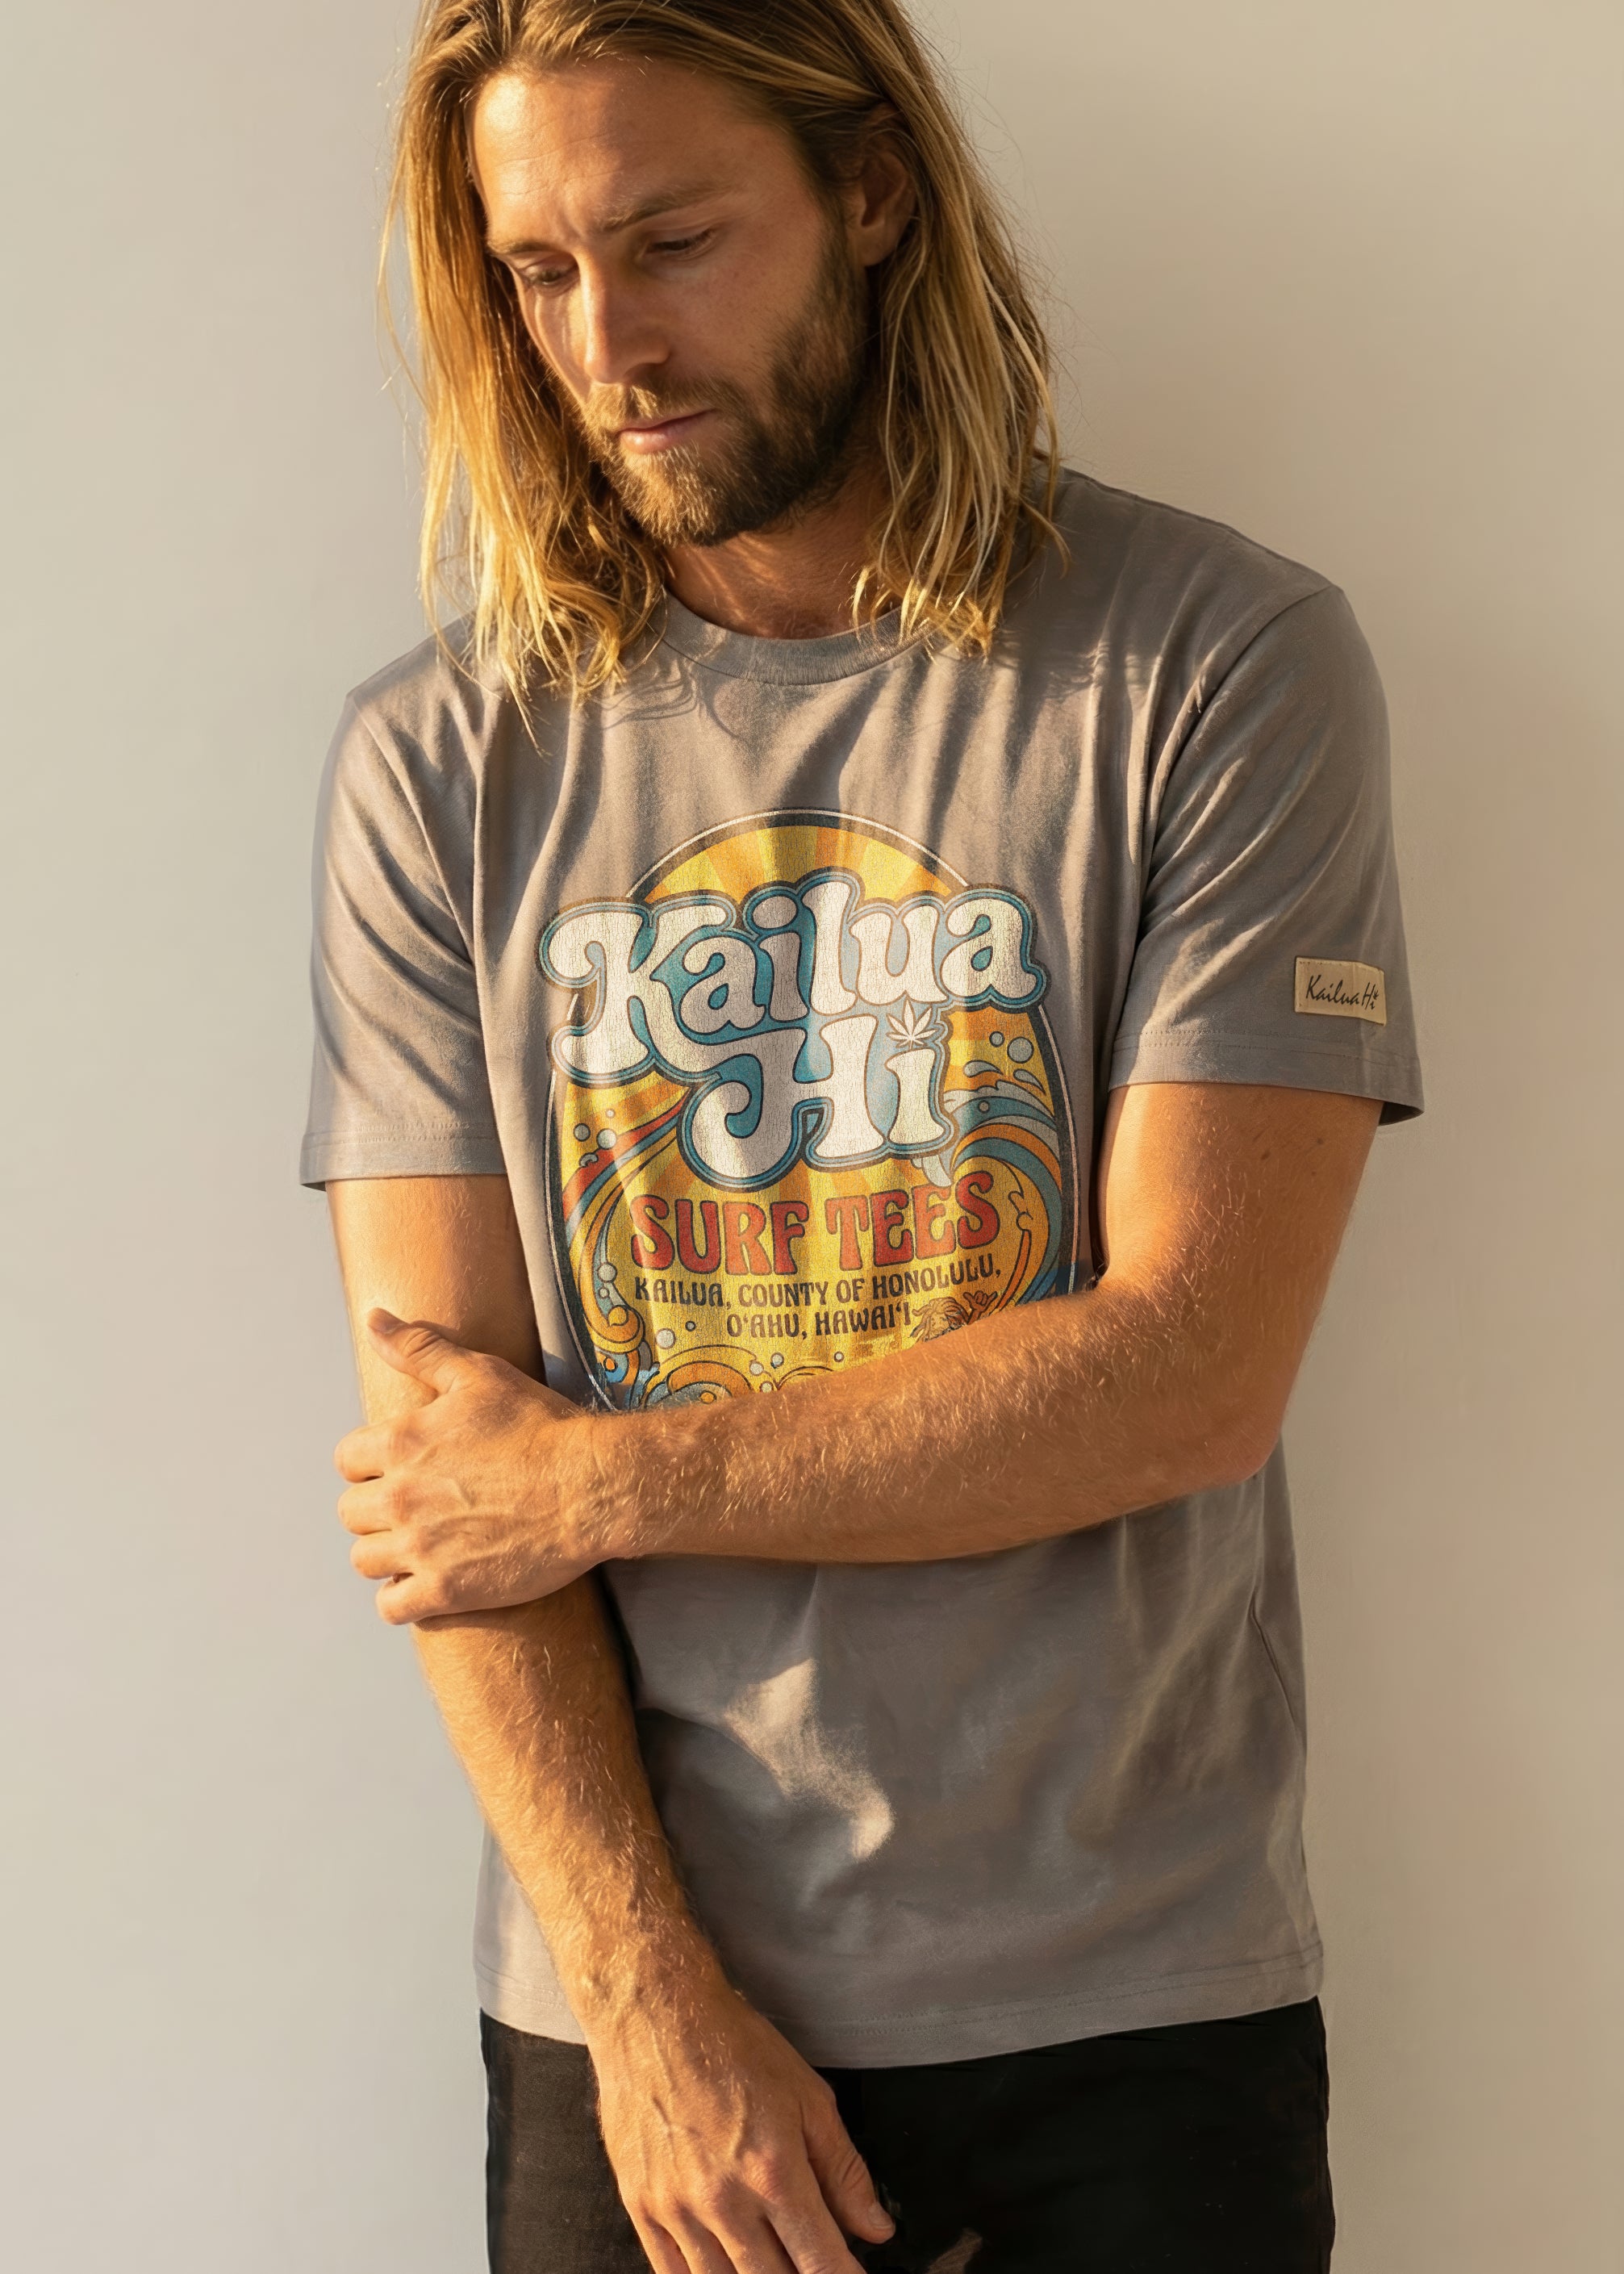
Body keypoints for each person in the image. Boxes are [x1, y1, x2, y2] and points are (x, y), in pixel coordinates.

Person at [301, 3, 1422, 2268]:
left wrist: (603, 1472)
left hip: (1136, 2014)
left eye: (674, 239)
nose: (605, 344)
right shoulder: (442, 764)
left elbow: (1193, 1364)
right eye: (534, 272)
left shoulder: (1215, 667)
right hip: (640, 2039)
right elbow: (443, 1480)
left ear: (874, 194)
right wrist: (644, 1999)